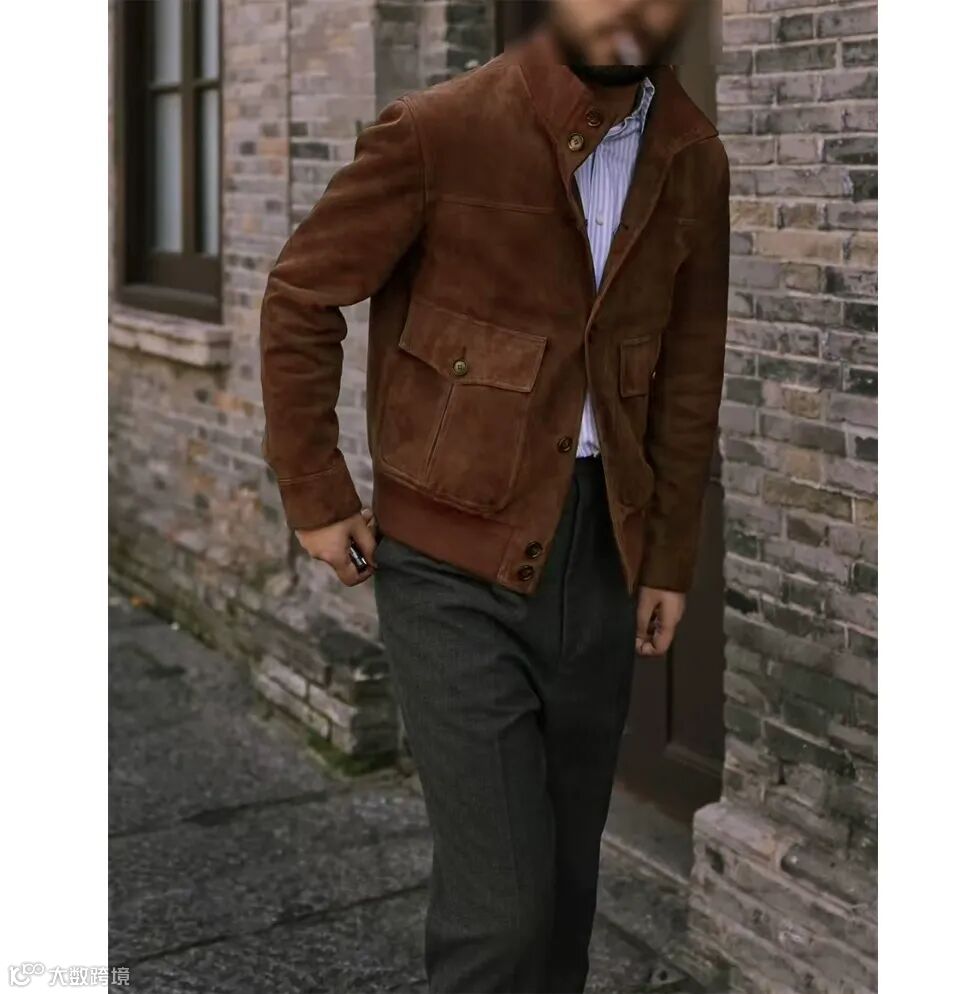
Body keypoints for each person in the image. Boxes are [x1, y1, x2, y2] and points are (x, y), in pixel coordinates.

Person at [259, 0, 729, 989]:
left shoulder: (692, 157)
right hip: (450, 568)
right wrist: (317, 491)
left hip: (601, 560)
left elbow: (689, 374)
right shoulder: (438, 131)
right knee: (502, 911)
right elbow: (301, 296)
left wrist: (667, 555)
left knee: (564, 891)